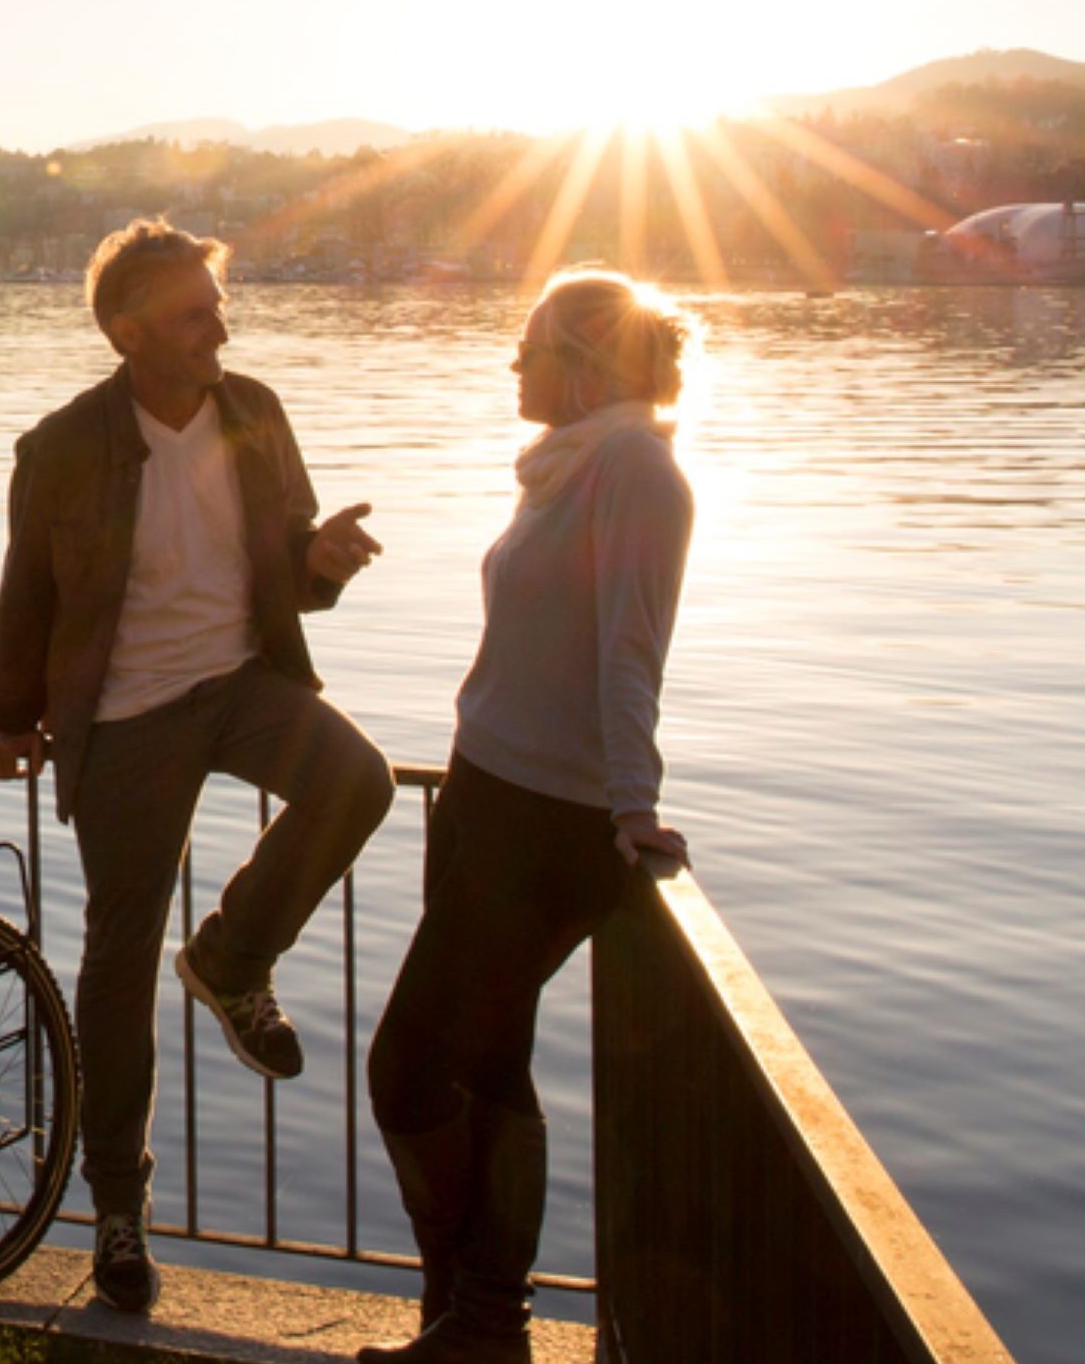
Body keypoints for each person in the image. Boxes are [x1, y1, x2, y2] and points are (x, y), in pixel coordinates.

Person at [0, 218, 398, 1315]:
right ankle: (118, 1207)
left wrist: (320, 561)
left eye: (217, 308)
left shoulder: (254, 411)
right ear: (130, 333)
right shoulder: (62, 447)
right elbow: (26, 595)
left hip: (245, 684)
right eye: (195, 314)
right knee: (119, 963)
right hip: (125, 720)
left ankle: (230, 955)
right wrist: (11, 716)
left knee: (360, 781)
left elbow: (289, 569)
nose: (222, 327)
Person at [356, 269, 698, 1363]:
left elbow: (629, 648)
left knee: (405, 1067)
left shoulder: (637, 469)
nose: (512, 365)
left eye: (529, 347)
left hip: (553, 816)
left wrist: (633, 804)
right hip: (482, 789)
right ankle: (470, 1328)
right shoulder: (561, 467)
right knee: (484, 1062)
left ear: (583, 359)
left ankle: (481, 1318)